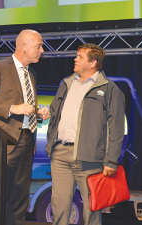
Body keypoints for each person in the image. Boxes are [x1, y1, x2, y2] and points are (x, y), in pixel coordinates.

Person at [0, 29, 50, 225]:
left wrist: (36, 111)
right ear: (23, 46)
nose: (42, 50)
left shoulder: (31, 73)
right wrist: (12, 108)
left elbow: (25, 106)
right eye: (38, 46)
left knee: (20, 196)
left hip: (27, 139)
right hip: (5, 141)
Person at [46, 43, 125, 225]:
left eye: (80, 56)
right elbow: (54, 112)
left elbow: (117, 127)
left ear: (93, 62)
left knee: (92, 208)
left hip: (89, 158)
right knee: (59, 206)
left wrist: (111, 160)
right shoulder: (66, 83)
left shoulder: (109, 89)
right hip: (60, 155)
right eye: (76, 56)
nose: (75, 59)